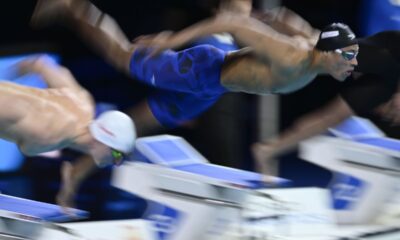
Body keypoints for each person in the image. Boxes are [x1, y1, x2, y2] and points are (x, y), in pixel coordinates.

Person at [31, 0, 358, 207]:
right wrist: (171, 41)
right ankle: (74, 8)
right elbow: (233, 23)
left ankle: (76, 170)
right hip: (199, 70)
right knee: (121, 55)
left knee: (138, 125)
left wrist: (263, 17)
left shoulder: (318, 42)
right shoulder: (292, 57)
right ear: (327, 53)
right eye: (346, 58)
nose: (351, 65)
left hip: (210, 89)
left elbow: (279, 15)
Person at [252, 30, 400, 175]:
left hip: (388, 78)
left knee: (333, 117)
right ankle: (270, 26)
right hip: (390, 53)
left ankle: (267, 150)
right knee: (316, 54)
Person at [0, 56, 136, 168]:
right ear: (104, 141)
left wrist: (9, 75)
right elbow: (27, 148)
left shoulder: (83, 102)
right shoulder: (49, 137)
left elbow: (41, 63)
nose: (116, 163)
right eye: (117, 156)